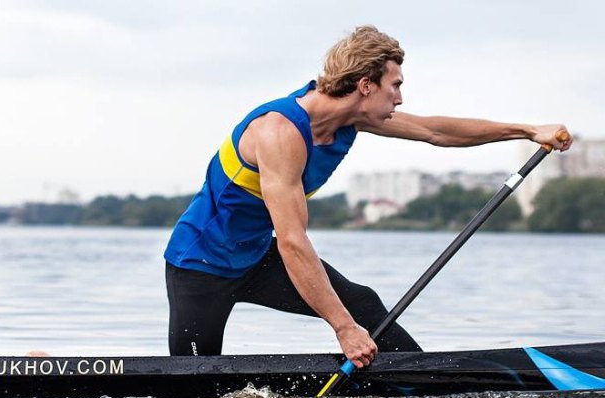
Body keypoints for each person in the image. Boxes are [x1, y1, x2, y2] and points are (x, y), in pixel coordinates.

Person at [163, 25, 572, 368]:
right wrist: (342, 328)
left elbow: (437, 131)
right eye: (395, 86)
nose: (399, 98)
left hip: (254, 257)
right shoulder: (279, 132)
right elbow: (292, 241)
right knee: (196, 388)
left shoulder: (352, 119)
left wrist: (526, 130)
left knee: (363, 305)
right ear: (365, 85)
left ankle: (422, 389)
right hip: (200, 267)